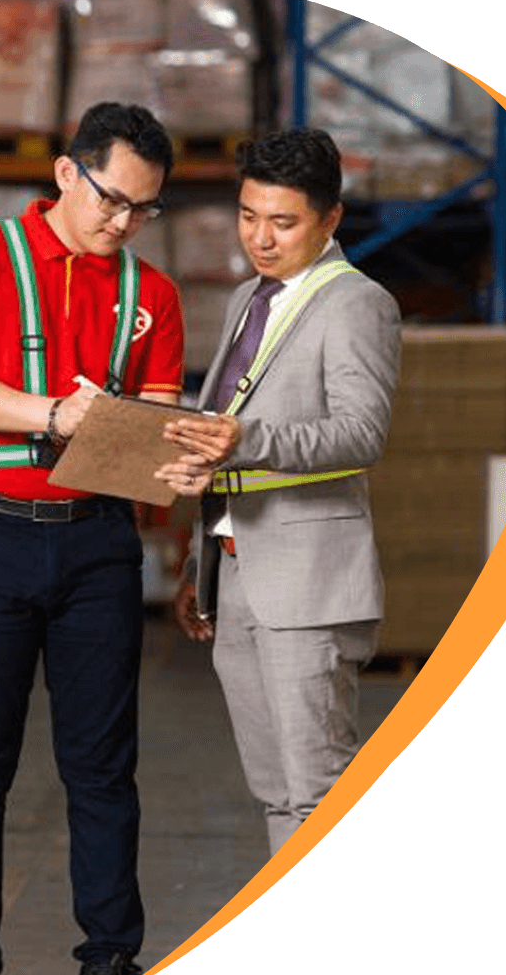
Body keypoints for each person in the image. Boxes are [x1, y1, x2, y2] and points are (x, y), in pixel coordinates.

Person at [0, 102, 206, 975]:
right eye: (114, 199)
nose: (123, 223)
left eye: (144, 210)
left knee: (101, 764)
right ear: (66, 174)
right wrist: (55, 415)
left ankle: (111, 958)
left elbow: (155, 415)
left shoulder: (152, 294)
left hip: (97, 545)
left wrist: (174, 460)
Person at [155, 127, 403, 856]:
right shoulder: (247, 299)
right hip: (238, 576)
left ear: (330, 219)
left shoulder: (356, 304)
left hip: (309, 587)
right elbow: (221, 429)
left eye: (283, 222)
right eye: (248, 215)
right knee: (275, 792)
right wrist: (200, 561)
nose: (260, 238)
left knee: (317, 791)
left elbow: (361, 433)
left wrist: (246, 440)